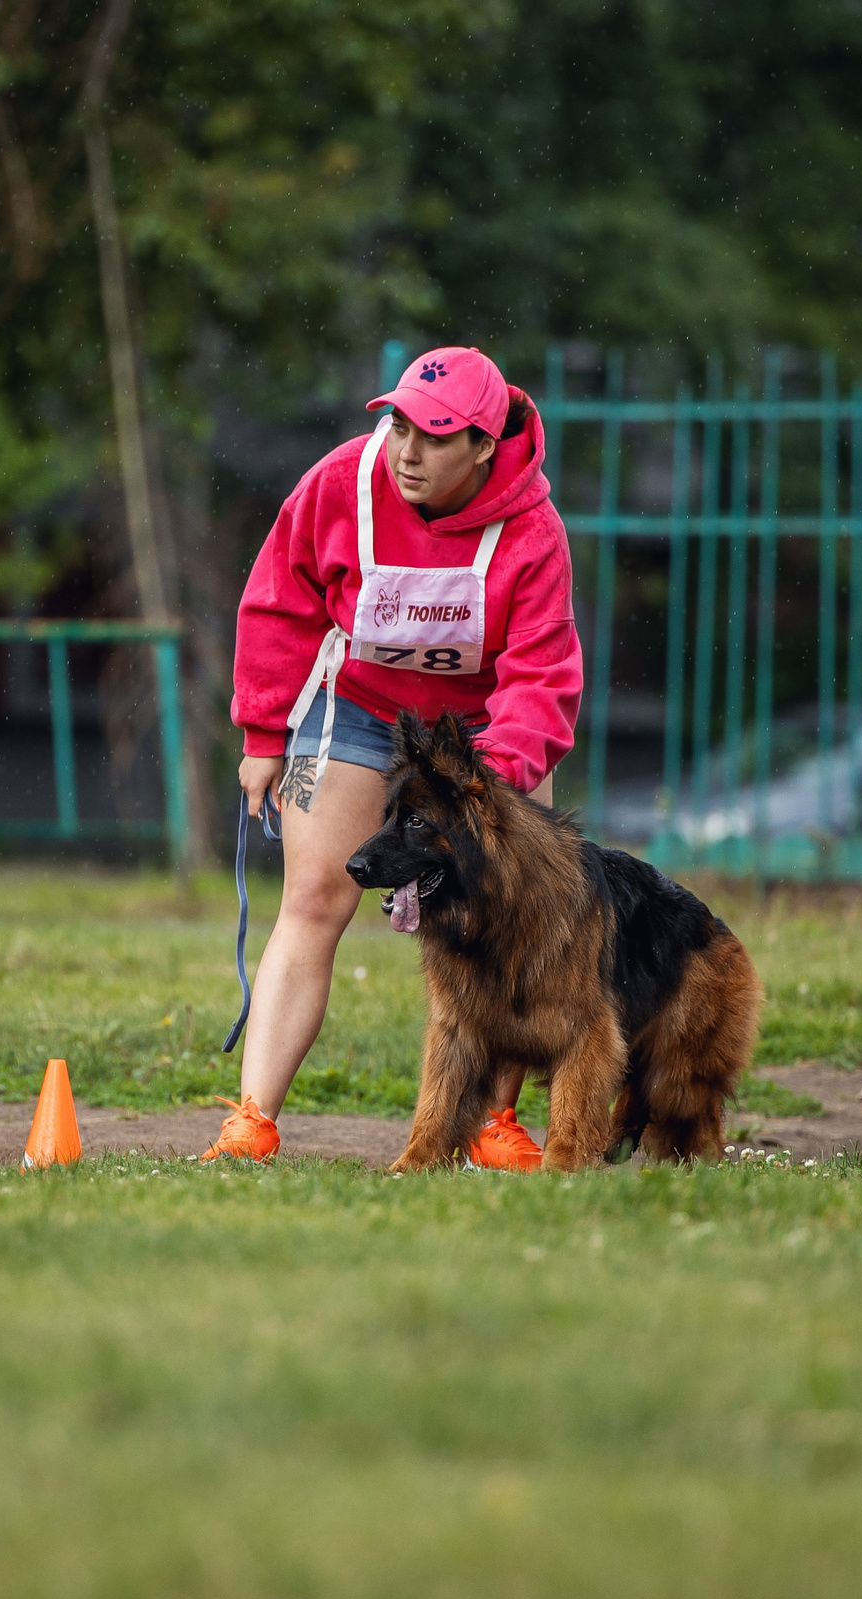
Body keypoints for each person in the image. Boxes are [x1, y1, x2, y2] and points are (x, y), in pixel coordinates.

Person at [209, 345, 581, 1165]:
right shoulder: (342, 483)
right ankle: (251, 1121)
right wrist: (264, 735)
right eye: (400, 425)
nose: (407, 452)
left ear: (484, 445)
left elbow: (542, 675)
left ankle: (493, 1122)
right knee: (312, 896)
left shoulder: (533, 530)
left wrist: (487, 785)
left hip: (483, 742)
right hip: (359, 711)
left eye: (435, 437)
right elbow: (279, 601)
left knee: (512, 920)